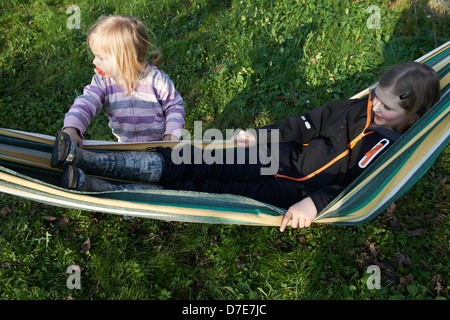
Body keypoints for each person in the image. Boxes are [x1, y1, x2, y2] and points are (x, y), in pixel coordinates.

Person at [51, 62, 440, 231]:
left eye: (388, 108)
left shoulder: (389, 148)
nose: (377, 108)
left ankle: (103, 188)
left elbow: (357, 189)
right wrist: (263, 134)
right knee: (196, 157)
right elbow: (307, 123)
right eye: (377, 97)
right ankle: (88, 157)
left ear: (413, 114)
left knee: (207, 190)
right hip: (278, 156)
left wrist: (315, 203)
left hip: (290, 191)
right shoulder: (359, 107)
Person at [63, 15, 185, 147]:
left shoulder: (156, 80)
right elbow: (85, 103)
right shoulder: (103, 82)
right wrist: (72, 127)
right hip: (125, 146)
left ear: (124, 59)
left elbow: (174, 106)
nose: (94, 61)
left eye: (100, 57)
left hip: (159, 146)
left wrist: (171, 134)